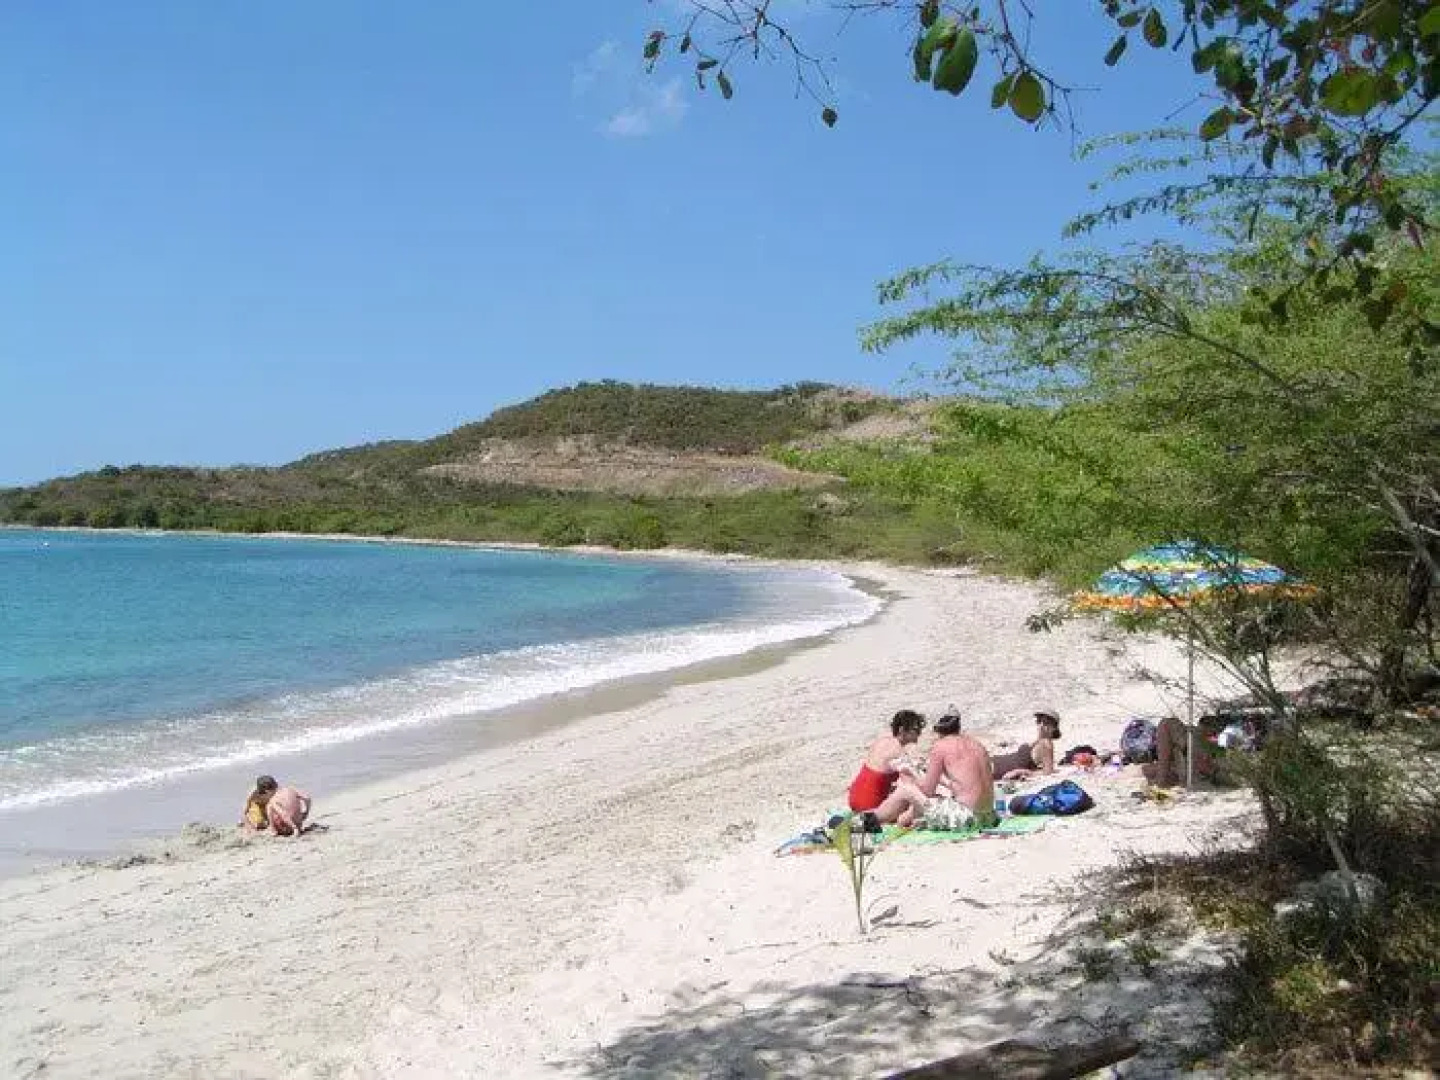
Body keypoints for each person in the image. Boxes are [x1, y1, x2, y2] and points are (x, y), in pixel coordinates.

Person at [848, 709, 929, 827]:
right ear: (902, 730)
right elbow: (915, 781)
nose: (919, 734)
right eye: (916, 730)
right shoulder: (898, 751)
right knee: (911, 797)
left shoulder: (882, 741)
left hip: (854, 797)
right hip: (869, 803)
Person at [916, 711, 995, 822]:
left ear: (939, 733)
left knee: (906, 789)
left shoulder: (940, 746)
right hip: (989, 815)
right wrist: (942, 781)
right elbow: (965, 783)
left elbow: (928, 791)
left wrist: (913, 777)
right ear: (958, 729)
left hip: (966, 817)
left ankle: (898, 821)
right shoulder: (976, 743)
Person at [1142, 715, 1217, 787]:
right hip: (1185, 768)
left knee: (1166, 724)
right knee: (1147, 770)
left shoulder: (1198, 739)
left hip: (1190, 772)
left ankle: (1162, 778)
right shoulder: (1195, 736)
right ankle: (1162, 777)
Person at [991, 707, 1062, 780]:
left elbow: (1048, 772)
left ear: (1054, 728)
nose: (1041, 725)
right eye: (1039, 721)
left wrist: (1020, 772)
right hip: (996, 762)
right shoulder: (1039, 740)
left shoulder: (1046, 744)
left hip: (1000, 769)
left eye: (1046, 723)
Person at [240, 775, 311, 837]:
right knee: (259, 822)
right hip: (258, 806)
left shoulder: (274, 797)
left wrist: (294, 827)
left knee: (270, 810)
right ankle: (246, 823)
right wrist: (306, 812)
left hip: (282, 821)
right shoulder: (254, 794)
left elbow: (283, 813)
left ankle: (272, 828)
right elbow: (307, 798)